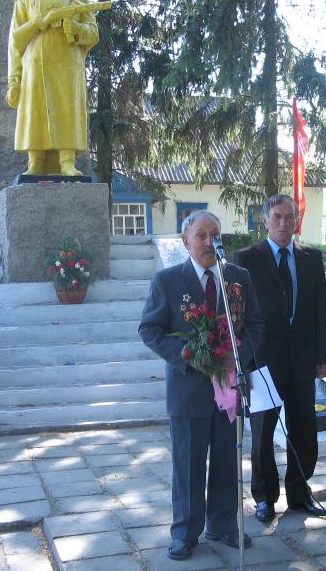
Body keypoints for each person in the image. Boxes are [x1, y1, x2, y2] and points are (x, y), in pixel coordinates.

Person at [139, 210, 263, 560]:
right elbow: (150, 329)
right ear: (186, 241)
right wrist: (185, 354)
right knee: (188, 464)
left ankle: (223, 524)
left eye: (216, 235)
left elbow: (255, 325)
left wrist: (236, 353)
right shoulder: (168, 281)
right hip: (188, 389)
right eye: (202, 235)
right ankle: (185, 532)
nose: (210, 242)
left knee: (227, 460)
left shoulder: (238, 279)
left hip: (229, 389)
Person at [234, 195, 326, 523]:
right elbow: (239, 316)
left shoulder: (311, 258)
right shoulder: (246, 259)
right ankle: (265, 498)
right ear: (264, 220)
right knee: (262, 433)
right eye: (276, 217)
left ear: (296, 220)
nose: (283, 223)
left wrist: (323, 356)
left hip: (303, 360)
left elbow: (321, 309)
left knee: (304, 429)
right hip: (263, 362)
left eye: (289, 217)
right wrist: (244, 362)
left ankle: (300, 493)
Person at [6, 0, 99, 176]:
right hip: (35, 63)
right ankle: (35, 161)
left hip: (68, 66)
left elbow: (93, 32)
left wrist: (76, 28)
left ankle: (67, 161)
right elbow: (15, 42)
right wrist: (14, 79)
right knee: (35, 109)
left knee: (68, 108)